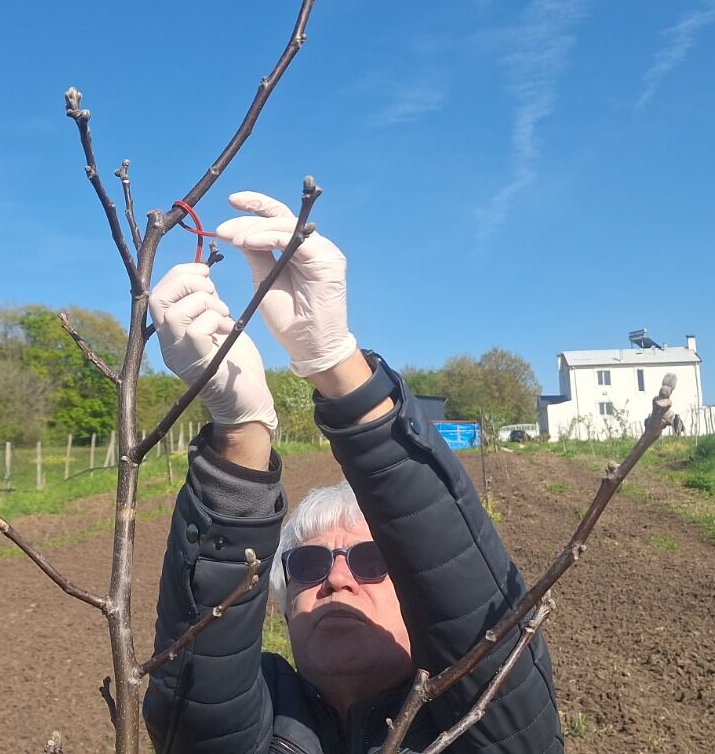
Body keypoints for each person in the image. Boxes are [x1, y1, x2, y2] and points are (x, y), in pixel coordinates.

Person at [143, 191, 563, 754]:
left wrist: (336, 364)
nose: (336, 580)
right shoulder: (251, 735)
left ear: (415, 593)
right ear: (283, 604)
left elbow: (467, 597)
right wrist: (240, 428)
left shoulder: (482, 727)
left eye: (373, 562)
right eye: (309, 565)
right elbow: (198, 699)